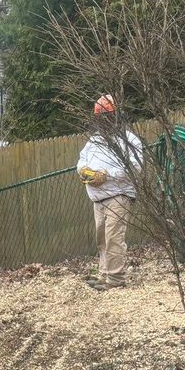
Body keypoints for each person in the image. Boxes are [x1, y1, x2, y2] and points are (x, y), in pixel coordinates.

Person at [76, 94, 143, 290]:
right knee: (102, 238)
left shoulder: (128, 140)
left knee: (114, 237)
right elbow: (81, 161)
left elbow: (135, 166)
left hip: (118, 195)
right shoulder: (95, 140)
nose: (103, 121)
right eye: (101, 117)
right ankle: (105, 274)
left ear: (115, 116)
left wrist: (107, 175)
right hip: (98, 197)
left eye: (107, 116)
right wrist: (84, 171)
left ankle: (115, 279)